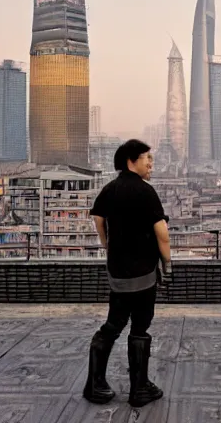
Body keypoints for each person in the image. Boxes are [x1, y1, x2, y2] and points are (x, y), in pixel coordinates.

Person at [82, 139, 172, 408]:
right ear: (131, 161)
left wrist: (107, 244)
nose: (151, 164)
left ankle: (95, 384)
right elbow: (162, 234)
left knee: (113, 324)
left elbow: (98, 218)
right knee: (140, 327)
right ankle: (139, 388)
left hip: (118, 274)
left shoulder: (109, 190)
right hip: (144, 274)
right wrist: (167, 264)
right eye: (147, 159)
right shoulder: (146, 192)